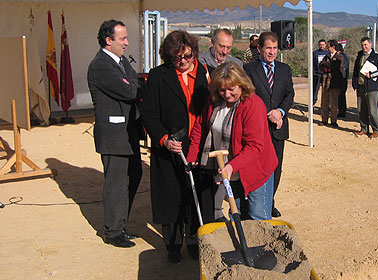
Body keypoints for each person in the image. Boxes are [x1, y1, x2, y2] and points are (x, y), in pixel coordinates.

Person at [140, 30, 211, 263]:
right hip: (169, 147)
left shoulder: (204, 72)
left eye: (187, 56)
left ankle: (193, 241)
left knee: (194, 196)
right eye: (176, 57)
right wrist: (163, 139)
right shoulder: (158, 76)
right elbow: (148, 114)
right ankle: (172, 245)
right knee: (171, 197)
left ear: (194, 53)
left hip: (197, 147)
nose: (182, 61)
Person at [187, 62, 278, 220]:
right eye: (222, 89)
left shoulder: (253, 105)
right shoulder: (213, 101)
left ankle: (260, 246)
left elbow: (254, 146)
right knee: (237, 214)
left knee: (257, 217)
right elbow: (200, 127)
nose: (227, 94)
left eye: (231, 89)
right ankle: (241, 245)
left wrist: (231, 167)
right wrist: (192, 155)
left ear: (242, 85)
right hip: (231, 171)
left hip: (256, 170)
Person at [87, 19, 143, 248]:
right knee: (116, 183)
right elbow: (130, 90)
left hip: (127, 133)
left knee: (134, 175)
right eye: (123, 39)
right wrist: (134, 85)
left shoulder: (119, 61)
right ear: (108, 41)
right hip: (113, 136)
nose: (127, 43)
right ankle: (113, 231)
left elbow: (136, 82)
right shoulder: (101, 65)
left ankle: (120, 223)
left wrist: (135, 84)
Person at [244, 31, 295, 218]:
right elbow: (246, 96)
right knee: (255, 167)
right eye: (268, 48)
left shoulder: (285, 69)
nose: (272, 52)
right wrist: (264, 114)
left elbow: (289, 95)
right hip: (257, 129)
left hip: (278, 128)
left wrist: (280, 112)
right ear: (259, 48)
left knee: (276, 167)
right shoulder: (249, 69)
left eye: (275, 48)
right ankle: (253, 203)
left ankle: (269, 202)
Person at [352, 37, 378, 138]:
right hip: (360, 86)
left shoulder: (377, 56)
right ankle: (364, 129)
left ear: (370, 44)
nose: (364, 47)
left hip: (371, 87)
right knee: (361, 109)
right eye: (362, 45)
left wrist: (372, 74)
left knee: (372, 110)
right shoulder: (359, 55)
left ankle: (376, 130)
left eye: (366, 45)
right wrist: (355, 82)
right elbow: (356, 69)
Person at [319, 40, 345, 127]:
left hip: (335, 83)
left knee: (334, 103)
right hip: (326, 82)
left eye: (328, 47)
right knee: (324, 102)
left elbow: (336, 66)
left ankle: (333, 121)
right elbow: (321, 65)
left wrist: (327, 65)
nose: (327, 48)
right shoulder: (326, 56)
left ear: (333, 47)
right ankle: (324, 119)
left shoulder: (340, 57)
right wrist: (327, 65)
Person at [313, 39, 329, 106]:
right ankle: (313, 102)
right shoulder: (315, 53)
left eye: (323, 45)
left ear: (325, 45)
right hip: (317, 74)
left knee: (326, 89)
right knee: (315, 89)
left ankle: (326, 104)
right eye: (320, 45)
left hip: (325, 74)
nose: (321, 46)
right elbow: (312, 63)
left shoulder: (327, 53)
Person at [337, 42, 349, 118]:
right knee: (341, 95)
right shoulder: (345, 56)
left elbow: (342, 68)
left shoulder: (341, 57)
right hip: (344, 78)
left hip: (342, 78)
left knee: (341, 95)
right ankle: (342, 110)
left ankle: (342, 112)